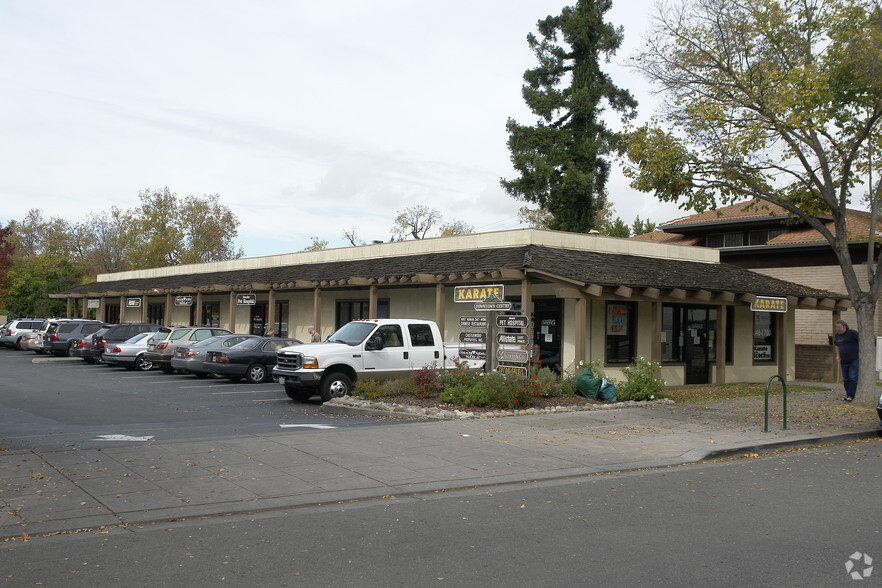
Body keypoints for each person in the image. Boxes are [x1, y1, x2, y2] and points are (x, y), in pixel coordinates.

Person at [833, 319, 859, 402]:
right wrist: (838, 355)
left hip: (854, 359)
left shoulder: (852, 333)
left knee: (852, 378)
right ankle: (848, 394)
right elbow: (837, 346)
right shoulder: (837, 336)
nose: (838, 329)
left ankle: (851, 395)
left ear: (844, 326)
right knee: (846, 379)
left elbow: (861, 340)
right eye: (836, 327)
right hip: (843, 360)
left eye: (839, 327)